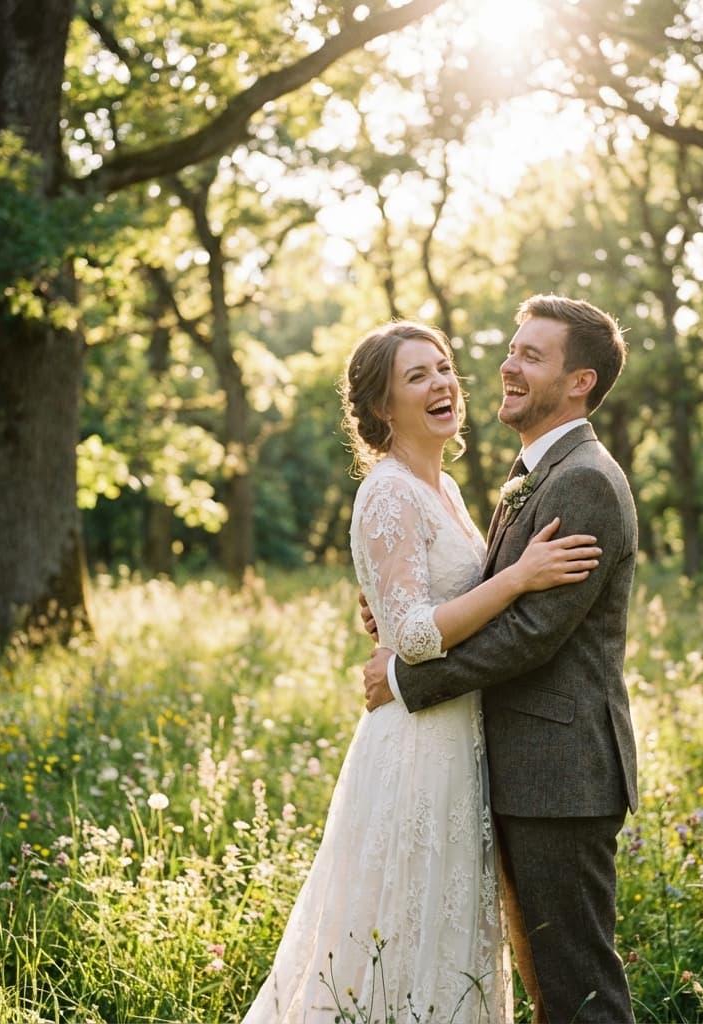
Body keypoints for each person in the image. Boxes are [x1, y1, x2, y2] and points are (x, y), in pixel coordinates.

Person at [242, 320, 603, 1023]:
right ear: (383, 408)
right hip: (414, 746)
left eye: (443, 369)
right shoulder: (388, 492)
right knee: (396, 932)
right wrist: (519, 579)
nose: (442, 384)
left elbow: (419, 604)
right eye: (418, 376)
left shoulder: (449, 493)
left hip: (460, 739)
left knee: (447, 937)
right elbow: (410, 633)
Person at [363, 294, 639, 1024]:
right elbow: (483, 596)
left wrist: (404, 675)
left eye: (531, 356)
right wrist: (395, 614)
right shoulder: (534, 473)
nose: (506, 367)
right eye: (512, 350)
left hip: (561, 774)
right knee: (546, 984)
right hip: (517, 767)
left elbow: (531, 633)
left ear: (579, 381)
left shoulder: (582, 479)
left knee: (579, 989)